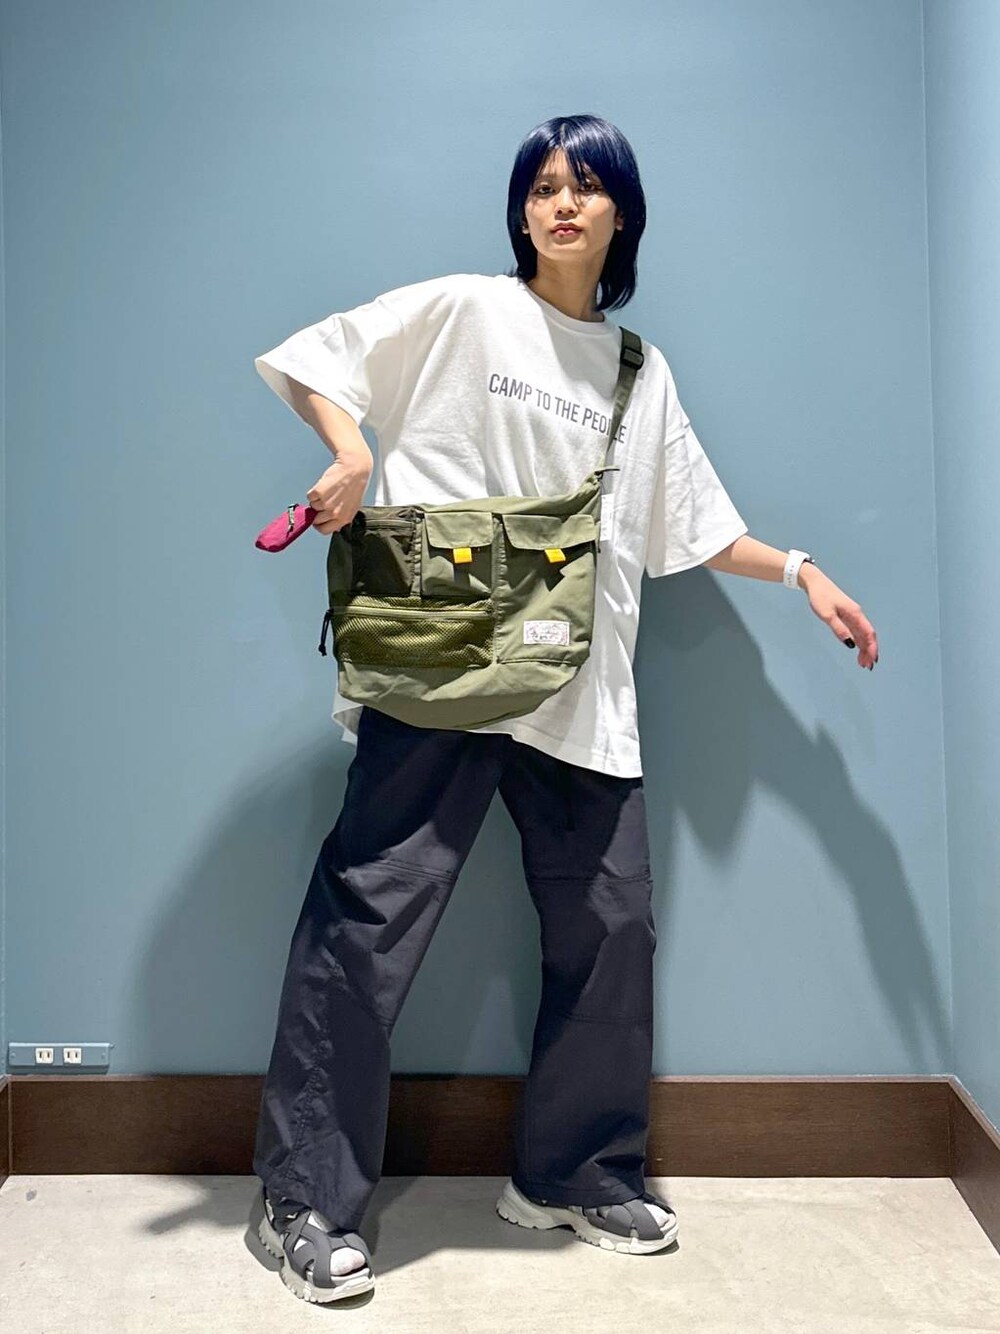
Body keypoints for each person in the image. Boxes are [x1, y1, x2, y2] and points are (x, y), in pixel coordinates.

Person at [250, 114, 880, 1304]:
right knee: (367, 925)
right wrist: (352, 452)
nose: (562, 204)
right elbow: (317, 360)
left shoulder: (639, 370)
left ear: (619, 213)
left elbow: (691, 526)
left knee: (611, 931)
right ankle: (304, 1200)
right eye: (543, 186)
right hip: (442, 675)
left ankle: (572, 1174)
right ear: (522, 210)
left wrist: (800, 570)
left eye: (585, 186)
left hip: (582, 691)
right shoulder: (464, 311)